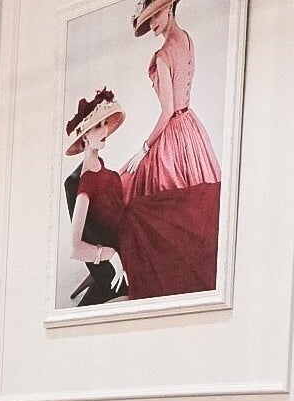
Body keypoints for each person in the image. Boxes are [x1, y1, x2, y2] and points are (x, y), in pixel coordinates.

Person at [118, 0, 224, 298]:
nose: (152, 25)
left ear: (169, 9)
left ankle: (156, 267)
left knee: (133, 187)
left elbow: (167, 112)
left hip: (175, 129)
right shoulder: (187, 38)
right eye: (147, 20)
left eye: (154, 16)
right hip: (191, 127)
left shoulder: (163, 56)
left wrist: (144, 147)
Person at [63, 88, 130, 306]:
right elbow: (76, 248)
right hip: (112, 262)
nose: (104, 130)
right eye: (97, 126)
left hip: (127, 247)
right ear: (84, 136)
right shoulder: (85, 182)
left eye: (104, 124)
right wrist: (109, 255)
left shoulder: (108, 174)